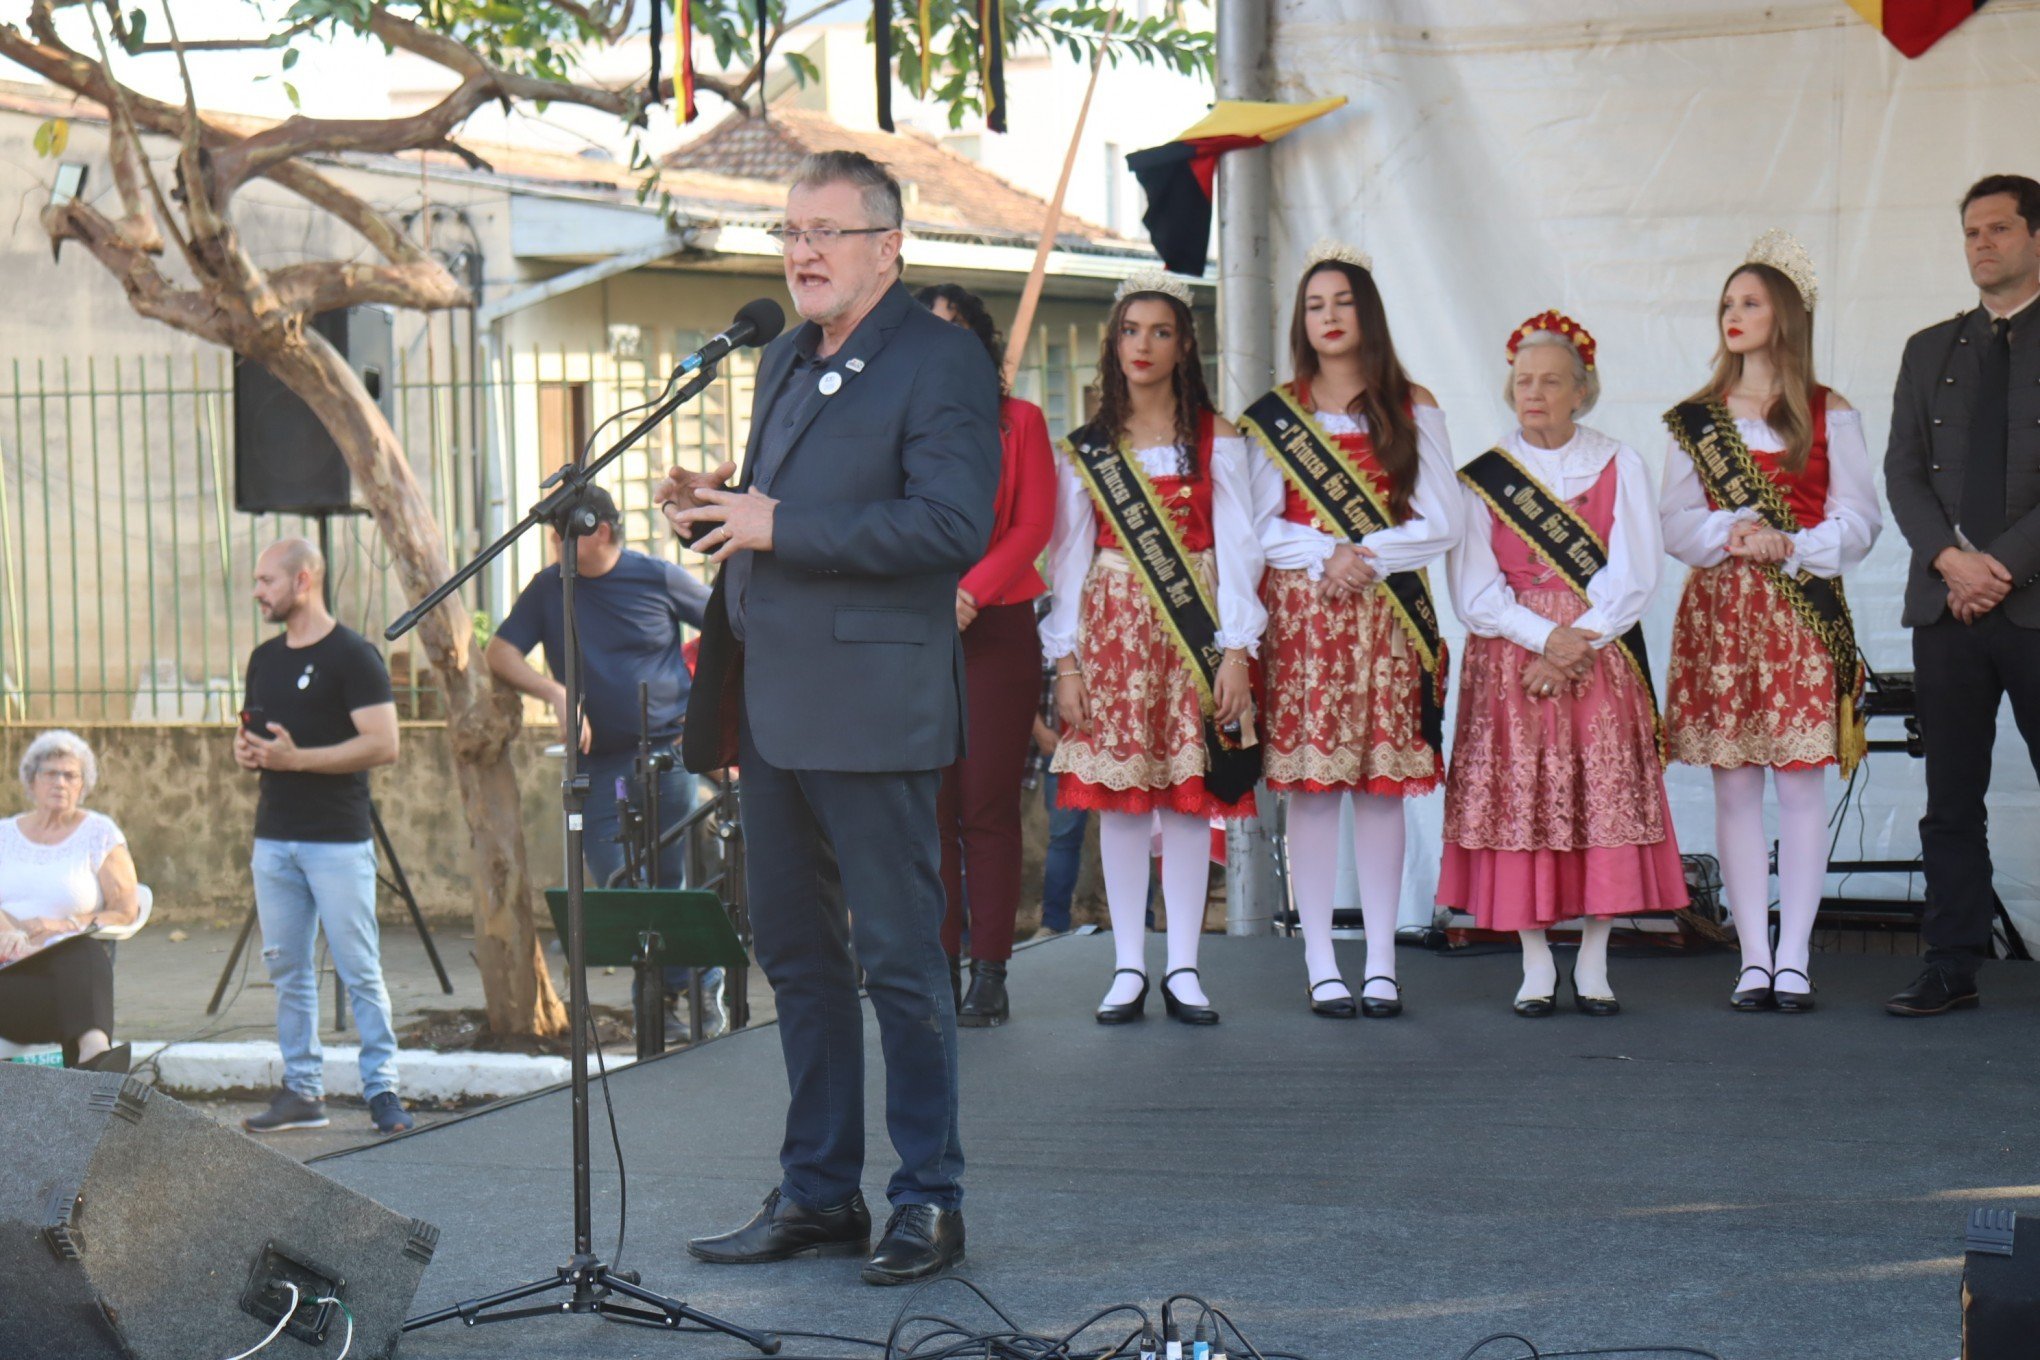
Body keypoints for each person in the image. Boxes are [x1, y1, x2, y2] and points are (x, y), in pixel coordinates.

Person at [656, 150, 998, 1284]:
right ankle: (817, 1192)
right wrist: (716, 511)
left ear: (887, 246)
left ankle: (928, 1199)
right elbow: (779, 516)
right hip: (775, 705)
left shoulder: (941, 360)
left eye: (825, 231)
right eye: (789, 230)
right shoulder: (788, 359)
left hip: (876, 708)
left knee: (901, 963)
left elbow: (949, 526)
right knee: (799, 960)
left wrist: (776, 521)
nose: (800, 252)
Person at [1439, 313, 1688, 1016]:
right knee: (1521, 806)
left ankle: (1598, 958)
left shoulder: (1619, 463)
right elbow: (1474, 590)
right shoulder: (1483, 477)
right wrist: (1543, 641)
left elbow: (1635, 571)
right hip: (1513, 660)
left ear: (1582, 390)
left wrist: (1575, 639)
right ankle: (1536, 959)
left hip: (1596, 655)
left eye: (1550, 381)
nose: (1534, 393)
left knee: (1594, 803)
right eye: (1523, 381)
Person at [1236, 240, 1458, 1019]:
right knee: (1315, 790)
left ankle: (1385, 960)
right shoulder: (1276, 414)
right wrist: (1327, 554)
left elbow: (1444, 518)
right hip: (1306, 617)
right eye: (1315, 305)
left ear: (1368, 313)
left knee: (1381, 788)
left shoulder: (1411, 402)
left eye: (1343, 302)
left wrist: (1368, 555)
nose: (1329, 317)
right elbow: (1255, 526)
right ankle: (1322, 959)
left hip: (1389, 616)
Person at [1661, 233, 1881, 1013]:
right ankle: (1753, 958)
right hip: (1723, 613)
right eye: (1727, 303)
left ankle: (1796, 957)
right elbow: (1674, 523)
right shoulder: (1697, 418)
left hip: (1797, 613)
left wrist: (1796, 542)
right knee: (1734, 790)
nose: (1734, 314)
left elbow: (1861, 518)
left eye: (1750, 302)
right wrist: (1728, 531)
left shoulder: (1830, 412)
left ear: (1785, 315)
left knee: (1799, 789)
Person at [1041, 268, 1263, 1027]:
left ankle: (1187, 967)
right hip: (1112, 635)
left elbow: (1241, 549)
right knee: (1126, 805)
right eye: (1131, 330)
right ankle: (1130, 964)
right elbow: (1067, 559)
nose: (1143, 345)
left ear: (1183, 344)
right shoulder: (1087, 446)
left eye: (1159, 332)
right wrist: (1065, 659)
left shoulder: (1218, 438)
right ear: (1114, 341)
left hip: (1194, 627)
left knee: (1191, 801)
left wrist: (1236, 649)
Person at [1883, 173, 2040, 1018]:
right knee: (1950, 798)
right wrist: (1951, 560)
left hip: (2032, 602)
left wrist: (2001, 565)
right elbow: (1902, 470)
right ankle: (1952, 962)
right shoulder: (1927, 347)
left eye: (2000, 229)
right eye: (1972, 232)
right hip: (1947, 608)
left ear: (2037, 238)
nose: (1983, 244)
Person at [485, 482, 719, 1043]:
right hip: (598, 763)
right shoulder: (549, 589)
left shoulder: (655, 576)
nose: (555, 548)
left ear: (602, 531)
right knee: (615, 883)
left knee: (669, 881)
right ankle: (665, 983)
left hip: (668, 752)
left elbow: (729, 626)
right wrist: (557, 693)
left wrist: (715, 711)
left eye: (564, 537)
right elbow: (499, 652)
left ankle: (692, 987)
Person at [234, 538, 411, 1136]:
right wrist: (251, 752)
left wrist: (297, 760)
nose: (257, 591)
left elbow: (384, 744)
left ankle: (382, 1088)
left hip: (336, 840)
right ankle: (303, 1091)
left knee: (359, 968)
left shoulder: (353, 656)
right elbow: (269, 743)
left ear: (303, 580)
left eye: (266, 580)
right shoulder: (263, 658)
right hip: (274, 838)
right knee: (287, 968)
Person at [915, 282, 1056, 1028]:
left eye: (955, 329)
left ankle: (991, 973)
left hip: (996, 626)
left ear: (980, 342)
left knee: (986, 807)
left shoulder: (1020, 421)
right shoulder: (902, 423)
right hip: (915, 628)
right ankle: (935, 968)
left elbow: (1035, 524)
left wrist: (968, 592)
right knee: (928, 809)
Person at [0, 731, 141, 1067]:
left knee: (83, 949)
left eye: (70, 775)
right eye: (51, 773)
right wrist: (8, 931)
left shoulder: (99, 833)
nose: (60, 782)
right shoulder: (3, 834)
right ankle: (94, 1062)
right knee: (82, 986)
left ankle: (95, 1052)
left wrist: (61, 927)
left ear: (83, 785)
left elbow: (125, 909)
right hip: (7, 980)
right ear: (31, 781)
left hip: (63, 983)